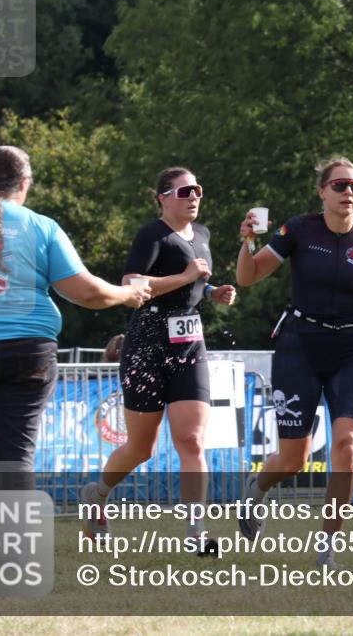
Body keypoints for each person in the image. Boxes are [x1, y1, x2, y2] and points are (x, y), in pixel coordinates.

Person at [0, 146, 150, 474]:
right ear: (24, 182)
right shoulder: (42, 226)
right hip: (28, 351)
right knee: (15, 460)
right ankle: (14, 528)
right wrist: (127, 293)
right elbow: (86, 293)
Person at [235, 156, 353, 568]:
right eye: (339, 185)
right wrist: (247, 242)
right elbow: (248, 277)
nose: (348, 192)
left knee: (347, 449)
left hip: (350, 349)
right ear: (322, 192)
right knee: (293, 459)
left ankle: (327, 545)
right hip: (299, 345)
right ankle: (257, 491)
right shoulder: (298, 229)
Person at [81, 167, 236, 544]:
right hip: (148, 342)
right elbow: (131, 284)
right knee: (142, 447)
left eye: (197, 190)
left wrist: (211, 291)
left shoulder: (202, 234)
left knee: (193, 440)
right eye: (184, 192)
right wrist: (185, 278)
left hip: (189, 341)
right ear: (163, 197)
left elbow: (194, 278)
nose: (194, 197)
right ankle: (97, 496)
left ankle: (196, 533)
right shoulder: (152, 234)